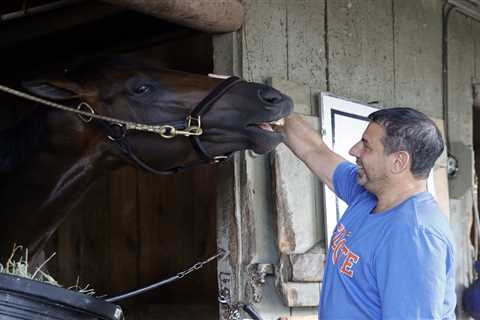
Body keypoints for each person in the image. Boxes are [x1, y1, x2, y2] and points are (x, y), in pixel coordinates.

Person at [281, 107, 456, 319]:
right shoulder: (366, 193)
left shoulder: (415, 236)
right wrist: (276, 111)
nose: (354, 150)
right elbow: (314, 150)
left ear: (398, 161)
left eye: (366, 146)